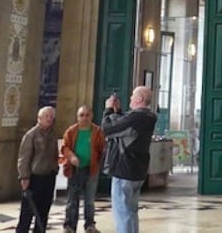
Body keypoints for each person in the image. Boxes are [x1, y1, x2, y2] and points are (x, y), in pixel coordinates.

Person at [101, 87, 157, 233]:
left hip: (124, 170)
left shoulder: (136, 118)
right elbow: (125, 129)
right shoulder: (149, 117)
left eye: (133, 96)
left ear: (139, 99)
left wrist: (108, 110)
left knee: (123, 213)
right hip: (138, 170)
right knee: (131, 212)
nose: (130, 98)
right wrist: (118, 112)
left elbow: (107, 128)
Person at [61, 105, 106, 233]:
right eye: (82, 115)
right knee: (72, 199)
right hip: (74, 170)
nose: (84, 118)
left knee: (90, 200)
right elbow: (65, 148)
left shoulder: (97, 132)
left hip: (91, 169)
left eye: (87, 115)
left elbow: (102, 149)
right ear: (77, 117)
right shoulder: (71, 131)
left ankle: (90, 225)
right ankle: (69, 225)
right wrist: (72, 157)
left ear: (91, 116)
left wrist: (99, 163)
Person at [15, 106, 59, 233]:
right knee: (28, 212)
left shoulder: (52, 134)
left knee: (43, 211)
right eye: (47, 116)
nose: (49, 119)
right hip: (34, 178)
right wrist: (24, 177)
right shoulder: (31, 135)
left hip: (49, 176)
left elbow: (55, 153)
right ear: (39, 118)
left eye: (51, 117)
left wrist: (55, 168)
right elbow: (24, 158)